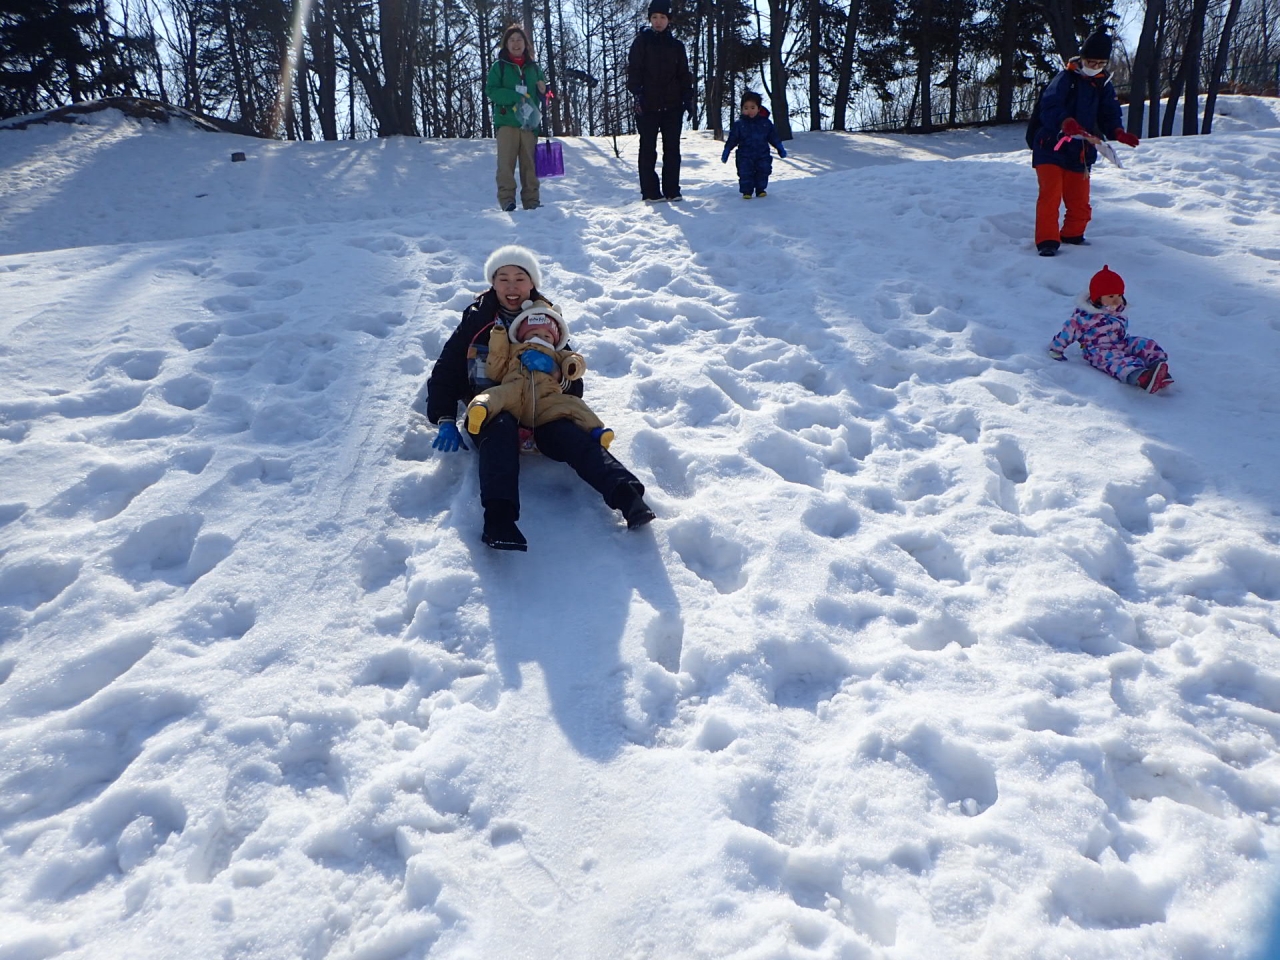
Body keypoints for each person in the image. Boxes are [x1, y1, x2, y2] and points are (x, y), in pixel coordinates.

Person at [426, 245, 656, 551]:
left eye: (519, 278)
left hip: (541, 409)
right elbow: (448, 368)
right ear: (492, 283)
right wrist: (444, 418)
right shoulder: (478, 320)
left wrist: (556, 372)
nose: (511, 287)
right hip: (494, 406)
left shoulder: (547, 319)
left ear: (532, 283)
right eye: (502, 278)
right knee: (501, 427)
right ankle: (500, 520)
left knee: (571, 436)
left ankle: (628, 496)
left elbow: (573, 382)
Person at [1029, 29, 1139, 257]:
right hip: (1050, 146)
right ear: (1082, 58)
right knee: (1051, 196)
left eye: (1100, 63)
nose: (1095, 66)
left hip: (1080, 152)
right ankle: (1047, 241)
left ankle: (1072, 235)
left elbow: (1109, 114)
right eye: (1091, 61)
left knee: (1080, 202)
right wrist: (1065, 122)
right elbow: (1049, 106)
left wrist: (1117, 132)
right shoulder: (1064, 79)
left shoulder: (1104, 86)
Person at [465, 298, 614, 448]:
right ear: (522, 335)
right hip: (514, 391)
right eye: (534, 333)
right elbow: (495, 372)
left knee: (573, 405)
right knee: (494, 395)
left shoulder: (557, 354)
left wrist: (568, 366)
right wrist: (498, 341)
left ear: (555, 340)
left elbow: (576, 361)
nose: (539, 338)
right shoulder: (513, 350)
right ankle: (479, 412)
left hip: (546, 399)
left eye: (547, 336)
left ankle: (595, 431)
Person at [1048, 264, 1173, 394]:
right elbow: (1068, 332)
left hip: (1119, 342)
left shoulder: (1116, 311)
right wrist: (1056, 349)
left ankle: (1157, 367)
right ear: (1098, 297)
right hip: (1097, 350)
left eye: (1119, 295)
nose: (1117, 300)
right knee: (1118, 361)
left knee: (1144, 343)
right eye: (1111, 296)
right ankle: (1141, 377)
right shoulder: (1084, 318)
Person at [627, 0, 694, 203]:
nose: (658, 21)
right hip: (647, 105)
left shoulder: (677, 46)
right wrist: (637, 94)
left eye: (663, 17)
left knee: (672, 149)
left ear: (669, 20)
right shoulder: (641, 42)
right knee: (647, 148)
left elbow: (684, 74)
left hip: (673, 106)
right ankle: (650, 191)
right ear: (649, 19)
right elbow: (634, 70)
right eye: (655, 17)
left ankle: (672, 190)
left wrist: (687, 99)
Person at [486, 25, 547, 212]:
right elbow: (491, 91)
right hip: (507, 123)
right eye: (511, 40)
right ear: (506, 44)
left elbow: (545, 94)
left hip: (530, 124)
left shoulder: (534, 67)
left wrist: (545, 91)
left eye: (519, 40)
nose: (516, 43)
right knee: (506, 164)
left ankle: (532, 201)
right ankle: (507, 200)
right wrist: (514, 96)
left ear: (525, 44)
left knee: (530, 165)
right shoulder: (499, 67)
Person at [721, 90, 787, 199]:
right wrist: (727, 150)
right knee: (745, 172)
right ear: (742, 109)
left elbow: (773, 137)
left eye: (752, 108)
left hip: (762, 154)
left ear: (758, 108)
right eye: (746, 108)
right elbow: (732, 139)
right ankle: (747, 191)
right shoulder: (739, 125)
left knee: (763, 171)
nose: (749, 111)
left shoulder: (765, 123)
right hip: (744, 155)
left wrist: (779, 147)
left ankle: (760, 189)